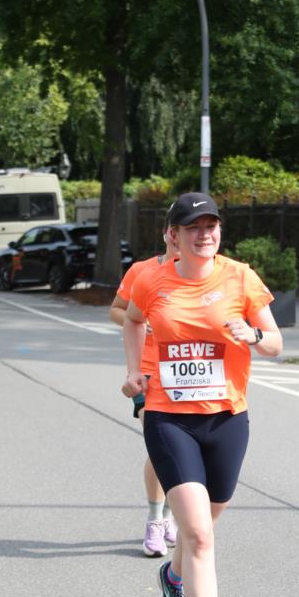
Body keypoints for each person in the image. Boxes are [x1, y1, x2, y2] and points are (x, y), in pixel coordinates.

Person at [122, 192, 283, 597]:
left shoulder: (240, 277)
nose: (204, 234)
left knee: (206, 524)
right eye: (193, 227)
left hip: (227, 418)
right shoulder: (151, 279)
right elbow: (131, 319)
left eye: (210, 225)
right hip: (169, 417)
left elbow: (276, 343)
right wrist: (134, 372)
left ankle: (173, 577)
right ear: (173, 235)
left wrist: (254, 336)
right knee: (197, 534)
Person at [110, 220, 178, 558]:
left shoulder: (205, 275)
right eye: (176, 231)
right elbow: (117, 310)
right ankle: (154, 520)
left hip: (185, 377)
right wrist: (141, 321)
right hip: (147, 372)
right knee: (161, 447)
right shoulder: (142, 271)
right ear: (167, 234)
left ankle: (169, 516)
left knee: (180, 451)